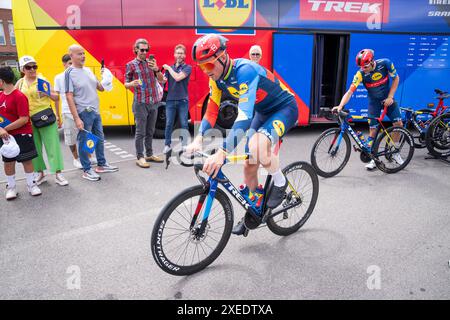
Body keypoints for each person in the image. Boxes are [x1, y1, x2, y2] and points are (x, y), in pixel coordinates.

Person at [186, 34, 299, 236]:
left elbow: (244, 115)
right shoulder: (217, 79)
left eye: (209, 66)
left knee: (257, 147)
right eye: (201, 67)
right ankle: (255, 209)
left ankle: (280, 184)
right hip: (263, 112)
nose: (206, 71)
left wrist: (222, 152)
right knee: (249, 164)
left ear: (222, 56)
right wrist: (198, 139)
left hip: (284, 108)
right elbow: (211, 110)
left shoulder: (245, 71)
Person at [333, 49, 403, 170]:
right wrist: (340, 106)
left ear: (372, 61)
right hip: (374, 102)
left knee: (398, 125)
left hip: (388, 99)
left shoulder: (385, 63)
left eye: (365, 66)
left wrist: (390, 96)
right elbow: (350, 92)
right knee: (373, 130)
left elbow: (396, 78)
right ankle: (373, 158)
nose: (363, 69)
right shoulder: (360, 74)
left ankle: (395, 152)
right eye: (361, 67)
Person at [65, 44, 118, 181]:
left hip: (95, 111)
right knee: (85, 141)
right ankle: (87, 169)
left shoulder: (88, 70)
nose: (83, 56)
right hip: (84, 112)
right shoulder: (69, 73)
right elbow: (69, 96)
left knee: (98, 139)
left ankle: (101, 164)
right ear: (71, 56)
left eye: (83, 53)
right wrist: (77, 118)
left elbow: (100, 88)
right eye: (79, 54)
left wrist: (106, 79)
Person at [16, 56, 68, 186]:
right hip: (28, 120)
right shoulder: (20, 83)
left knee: (53, 146)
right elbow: (14, 97)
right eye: (28, 67)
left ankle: (58, 174)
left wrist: (47, 94)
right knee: (35, 148)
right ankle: (40, 173)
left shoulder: (42, 80)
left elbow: (56, 97)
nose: (32, 69)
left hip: (45, 118)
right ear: (22, 69)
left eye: (34, 66)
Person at [0, 66, 42, 199]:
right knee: (8, 162)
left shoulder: (19, 96)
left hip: (22, 134)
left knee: (27, 161)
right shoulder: (0, 96)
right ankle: (11, 187)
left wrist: (5, 129)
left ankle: (32, 185)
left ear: (1, 81)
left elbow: (24, 119)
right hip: (6, 136)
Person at [125, 38, 164, 168]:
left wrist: (157, 69)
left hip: (153, 102)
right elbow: (126, 83)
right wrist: (131, 83)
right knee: (140, 132)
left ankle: (149, 154)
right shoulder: (131, 65)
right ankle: (140, 157)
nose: (144, 52)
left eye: (146, 50)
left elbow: (162, 80)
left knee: (150, 131)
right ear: (136, 49)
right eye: (142, 50)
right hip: (140, 102)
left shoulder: (151, 63)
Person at [54, 54, 83, 169]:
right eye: (69, 64)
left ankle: (89, 156)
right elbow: (56, 98)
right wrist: (58, 116)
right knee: (71, 137)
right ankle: (76, 158)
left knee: (86, 135)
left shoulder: (79, 75)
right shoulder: (59, 77)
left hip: (81, 109)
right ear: (64, 64)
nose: (72, 66)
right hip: (67, 111)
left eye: (73, 63)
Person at [162, 44, 192, 153]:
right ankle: (167, 145)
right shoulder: (171, 68)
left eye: (181, 53)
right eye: (178, 53)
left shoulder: (188, 68)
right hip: (170, 100)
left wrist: (169, 68)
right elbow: (163, 81)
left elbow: (178, 78)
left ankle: (184, 145)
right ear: (174, 54)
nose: (179, 55)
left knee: (183, 123)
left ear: (184, 55)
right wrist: (157, 72)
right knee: (169, 123)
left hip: (182, 100)